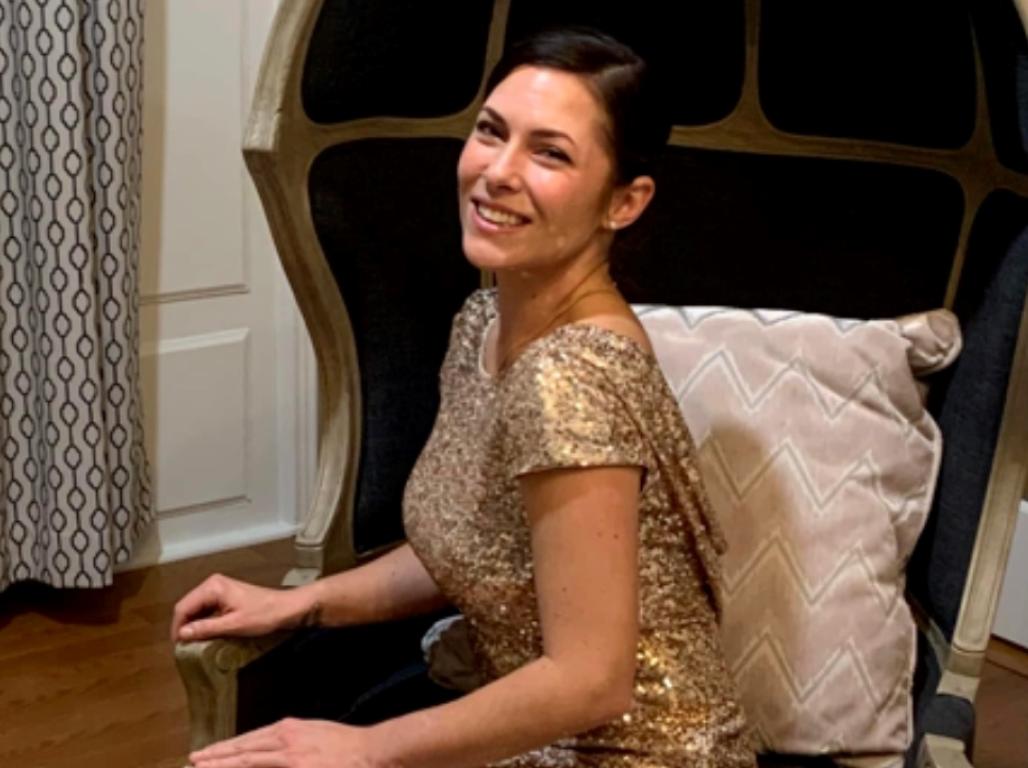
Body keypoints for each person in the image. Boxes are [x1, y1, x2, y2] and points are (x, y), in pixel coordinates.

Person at [175, 27, 755, 768]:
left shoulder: (570, 379)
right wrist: (305, 601)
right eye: (491, 132)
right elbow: (476, 548)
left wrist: (364, 748)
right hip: (536, 726)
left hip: (626, 751)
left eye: (549, 153)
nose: (497, 172)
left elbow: (591, 681)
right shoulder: (484, 321)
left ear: (625, 201)